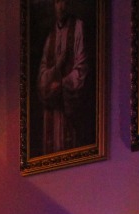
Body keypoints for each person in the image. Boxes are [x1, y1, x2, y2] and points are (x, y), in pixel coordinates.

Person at [36, 0, 91, 153]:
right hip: (52, 110)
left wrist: (62, 84)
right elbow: (42, 76)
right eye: (57, 2)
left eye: (65, 2)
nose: (61, 7)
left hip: (70, 105)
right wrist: (56, 68)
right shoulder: (50, 37)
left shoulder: (78, 27)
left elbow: (82, 67)